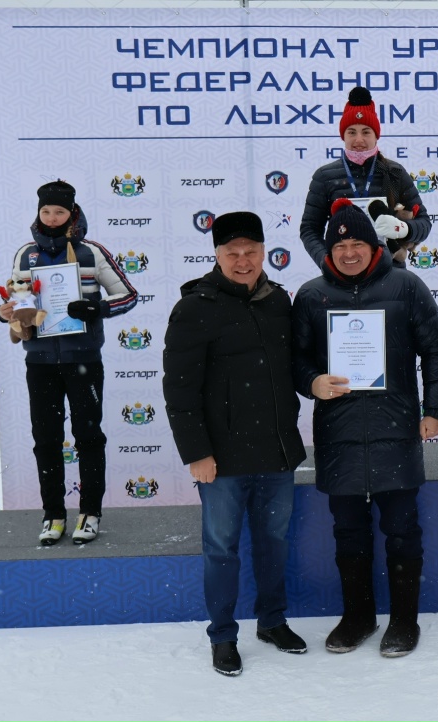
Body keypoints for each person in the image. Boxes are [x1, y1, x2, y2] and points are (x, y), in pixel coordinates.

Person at [291, 198, 438, 658]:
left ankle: (403, 621)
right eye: (339, 247)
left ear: (374, 245)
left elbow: (437, 350)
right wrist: (312, 381)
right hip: (338, 432)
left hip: (395, 428)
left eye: (357, 244)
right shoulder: (310, 295)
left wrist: (435, 411)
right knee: (348, 531)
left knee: (402, 529)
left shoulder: (406, 286)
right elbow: (294, 359)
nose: (349, 253)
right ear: (328, 251)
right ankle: (358, 616)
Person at [162, 211, 308, 677]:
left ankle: (272, 621)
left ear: (264, 252)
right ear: (217, 255)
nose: (243, 261)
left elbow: (293, 368)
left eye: (251, 251)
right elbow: (179, 389)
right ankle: (222, 635)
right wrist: (197, 453)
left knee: (274, 542)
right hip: (221, 459)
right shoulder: (194, 307)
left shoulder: (278, 301)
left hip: (277, 451)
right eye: (232, 253)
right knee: (221, 549)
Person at [0, 180, 137, 545]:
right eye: (46, 211)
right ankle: (53, 515)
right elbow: (18, 303)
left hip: (83, 360)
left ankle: (90, 513)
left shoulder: (92, 252)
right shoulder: (25, 254)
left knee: (88, 436)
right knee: (46, 439)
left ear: (72, 213)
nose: (52, 218)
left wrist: (97, 308)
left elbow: (127, 295)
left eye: (59, 211)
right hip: (40, 362)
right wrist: (4, 311)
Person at [299, 86, 432, 268]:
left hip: (390, 272)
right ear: (343, 136)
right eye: (352, 132)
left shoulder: (394, 172)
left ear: (376, 136)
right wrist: (328, 263)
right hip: (345, 273)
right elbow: (309, 229)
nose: (359, 140)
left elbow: (424, 223)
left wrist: (403, 229)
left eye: (366, 132)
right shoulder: (325, 176)